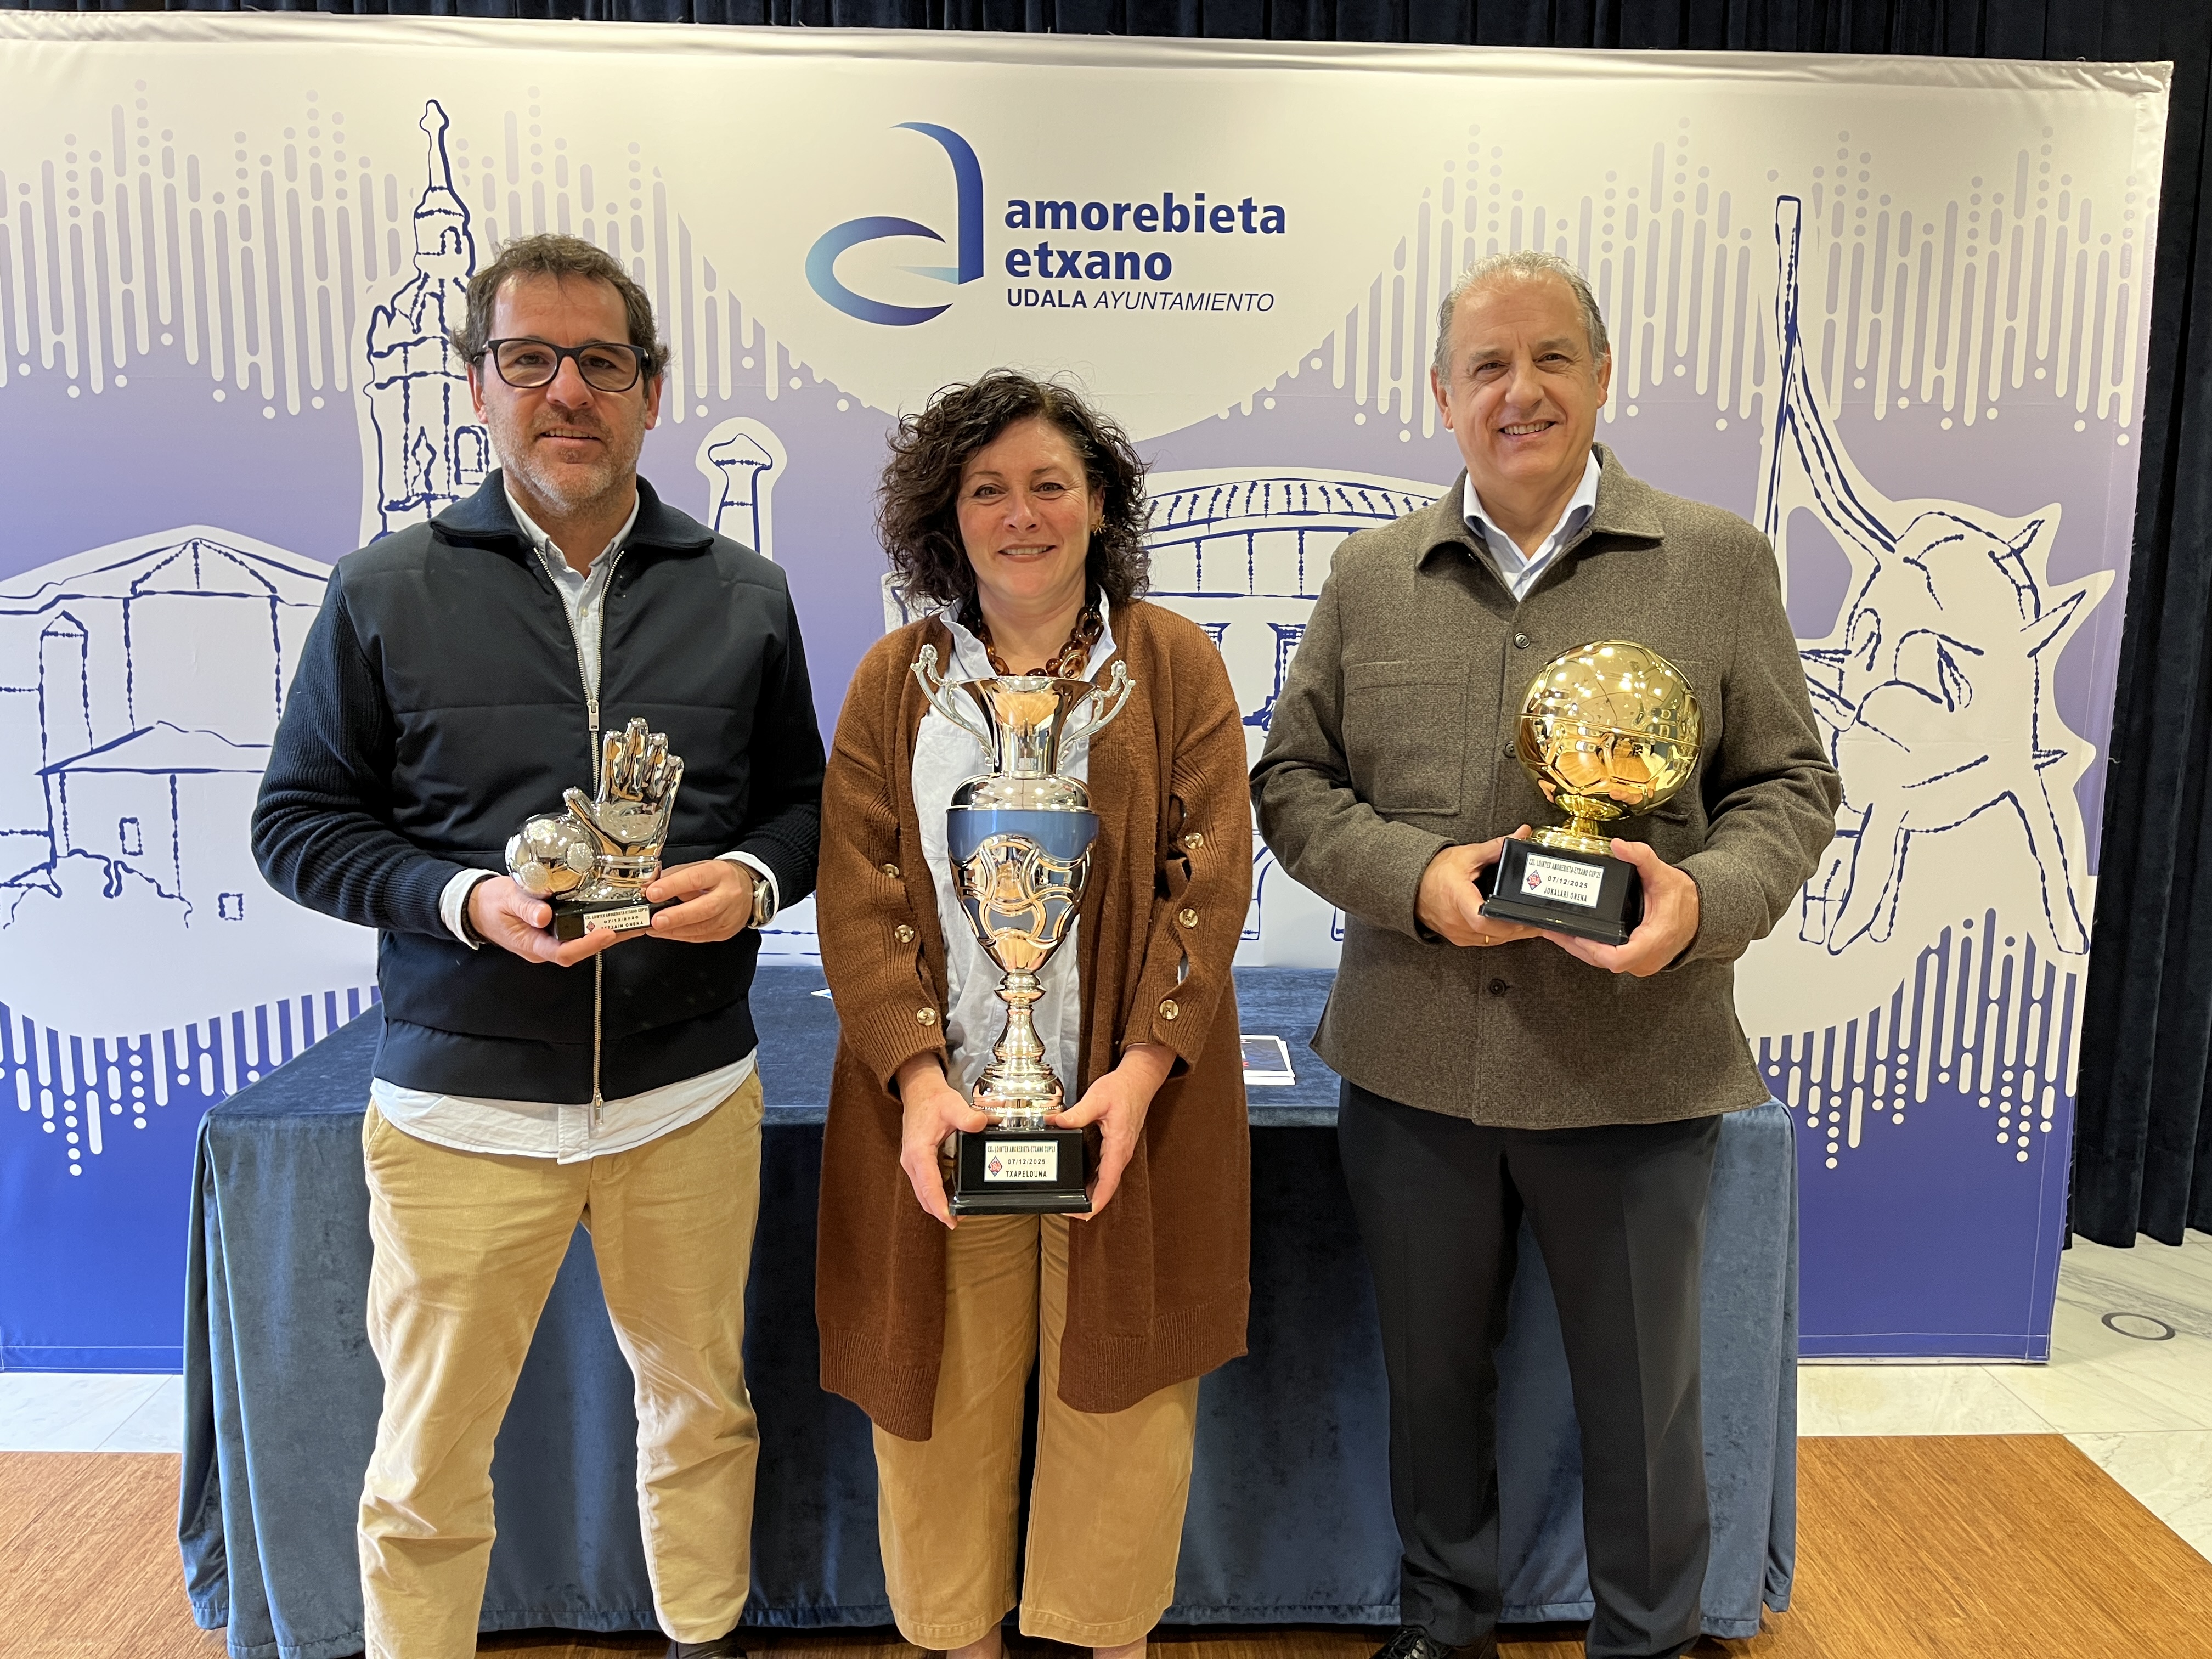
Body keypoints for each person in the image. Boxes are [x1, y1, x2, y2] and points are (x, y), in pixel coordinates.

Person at [1251, 251, 1839, 1659]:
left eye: (1552, 358)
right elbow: (1294, 783)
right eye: (1489, 367)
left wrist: (1703, 902)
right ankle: (1444, 1624)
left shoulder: (1715, 562)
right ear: (1441, 394)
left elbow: (1789, 785)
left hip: (1635, 1067)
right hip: (1413, 1063)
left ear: (1602, 374)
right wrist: (1416, 879)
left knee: (1642, 1402)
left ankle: (1645, 1637)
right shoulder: (1372, 574)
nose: (1521, 392)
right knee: (1432, 1385)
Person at [252, 233, 823, 1659]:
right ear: (477, 386)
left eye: (602, 363)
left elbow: (805, 805)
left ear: (651, 391)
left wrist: (752, 879)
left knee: (702, 1417)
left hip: (686, 1101)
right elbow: (298, 824)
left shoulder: (745, 592)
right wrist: (461, 901)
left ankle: (703, 1636)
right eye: (530, 360)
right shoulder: (382, 589)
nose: (568, 390)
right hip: (460, 1115)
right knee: (428, 1459)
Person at [812, 371, 1251, 1659]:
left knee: (1123, 1405)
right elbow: (857, 889)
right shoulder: (895, 680)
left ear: (1098, 503)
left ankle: (1104, 1637)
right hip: (944, 1121)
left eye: (1050, 485)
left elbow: (1209, 879)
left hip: (1125, 1120)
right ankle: (958, 1638)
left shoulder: (1173, 664)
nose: (1021, 515)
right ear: (946, 516)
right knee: (937, 1403)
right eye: (988, 489)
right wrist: (916, 1081)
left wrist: (1142, 1071)